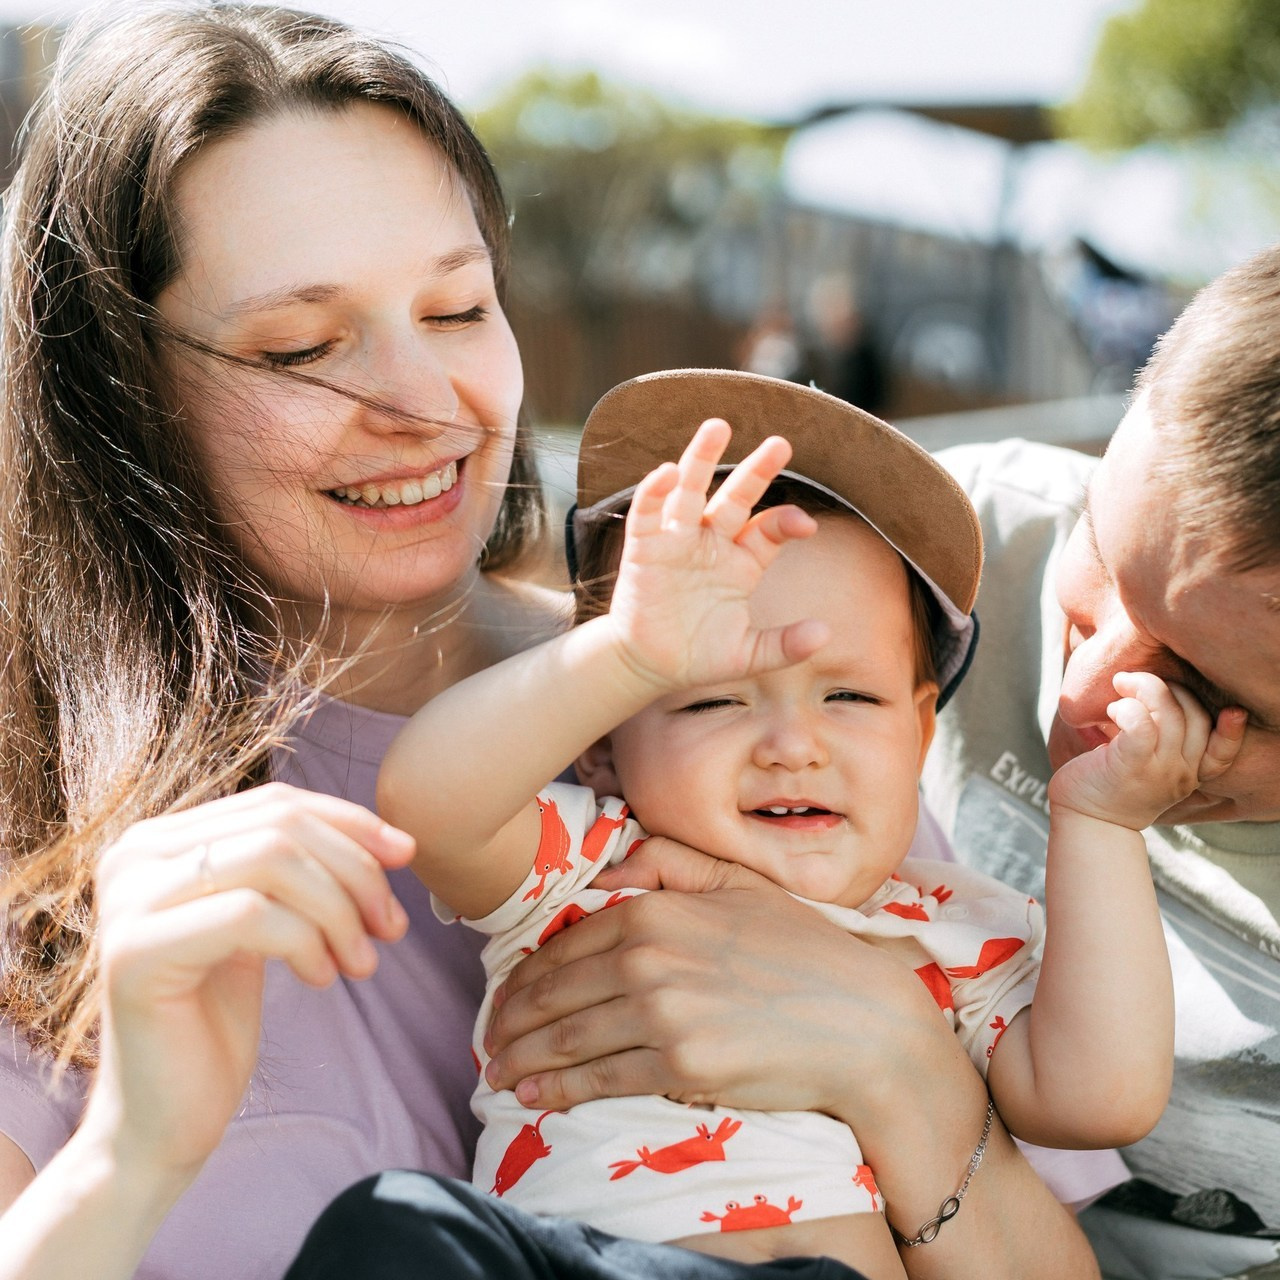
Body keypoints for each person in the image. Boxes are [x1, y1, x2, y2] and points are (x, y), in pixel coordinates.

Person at [0, 7, 1110, 1280]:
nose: (427, 406)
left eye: (459, 308)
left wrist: (898, 1067)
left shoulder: (747, 703)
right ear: (114, 391)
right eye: (302, 347)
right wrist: (129, 1152)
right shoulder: (42, 831)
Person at [296, 371, 1235, 1280]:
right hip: (562, 1257)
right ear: (603, 750)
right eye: (711, 703)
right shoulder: (595, 863)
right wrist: (625, 654)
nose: (793, 743)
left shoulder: (950, 931)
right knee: (389, 1224)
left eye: (849, 695)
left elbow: (1100, 1096)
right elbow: (427, 804)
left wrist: (1101, 822)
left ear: (918, 733)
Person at [918, 244, 1280, 1279]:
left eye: (1203, 695)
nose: (1079, 698)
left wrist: (898, 1082)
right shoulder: (943, 553)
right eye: (1095, 560)